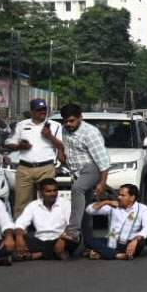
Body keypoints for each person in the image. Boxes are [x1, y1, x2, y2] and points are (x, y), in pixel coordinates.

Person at [46, 103, 110, 242]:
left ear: (80, 118)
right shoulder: (64, 130)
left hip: (92, 168)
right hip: (76, 172)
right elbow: (61, 145)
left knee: (77, 189)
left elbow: (103, 160)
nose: (69, 124)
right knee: (85, 211)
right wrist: (60, 152)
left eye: (72, 120)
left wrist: (102, 183)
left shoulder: (90, 133)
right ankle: (90, 243)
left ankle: (73, 231)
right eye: (66, 121)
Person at [6, 98, 63, 216]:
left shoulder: (55, 125)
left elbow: (61, 146)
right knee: (21, 203)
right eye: (39, 110)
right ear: (32, 111)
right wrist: (19, 146)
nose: (42, 112)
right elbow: (10, 143)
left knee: (48, 201)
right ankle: (21, 232)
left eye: (44, 109)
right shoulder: (22, 125)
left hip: (46, 168)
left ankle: (48, 231)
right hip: (25, 168)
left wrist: (50, 136)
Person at [12, 178, 77, 261]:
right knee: (13, 237)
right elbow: (19, 224)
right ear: (41, 193)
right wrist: (19, 237)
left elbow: (71, 224)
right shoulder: (33, 205)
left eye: (55, 190)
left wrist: (62, 239)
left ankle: (36, 255)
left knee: (75, 236)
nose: (52, 194)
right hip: (39, 241)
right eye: (48, 191)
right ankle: (55, 253)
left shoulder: (66, 204)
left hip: (61, 239)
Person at [83, 184, 147, 260]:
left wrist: (135, 240)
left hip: (131, 243)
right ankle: (118, 255)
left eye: (122, 195)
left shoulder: (143, 209)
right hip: (113, 241)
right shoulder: (113, 206)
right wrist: (106, 202)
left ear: (132, 197)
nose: (119, 197)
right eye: (119, 195)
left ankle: (101, 252)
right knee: (88, 241)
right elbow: (89, 210)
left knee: (141, 242)